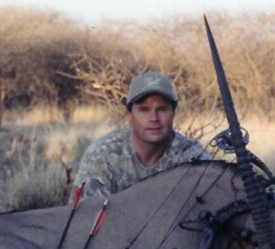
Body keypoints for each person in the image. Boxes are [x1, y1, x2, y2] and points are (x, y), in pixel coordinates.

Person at [71, 71, 211, 200]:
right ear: (130, 115)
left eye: (162, 109)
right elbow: (81, 218)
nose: (154, 118)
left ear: (173, 113)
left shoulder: (193, 156)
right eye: (144, 110)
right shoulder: (102, 155)